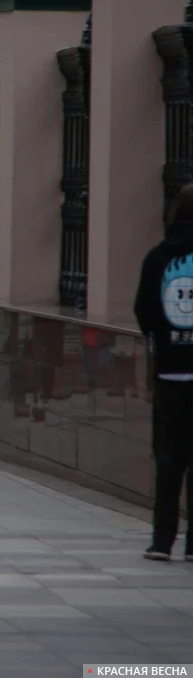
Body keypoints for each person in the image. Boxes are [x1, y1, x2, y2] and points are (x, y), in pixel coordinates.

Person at [133, 184, 193, 562]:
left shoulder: (158, 258)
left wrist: (161, 340)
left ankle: (161, 540)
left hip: (170, 374)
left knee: (169, 459)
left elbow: (144, 310)